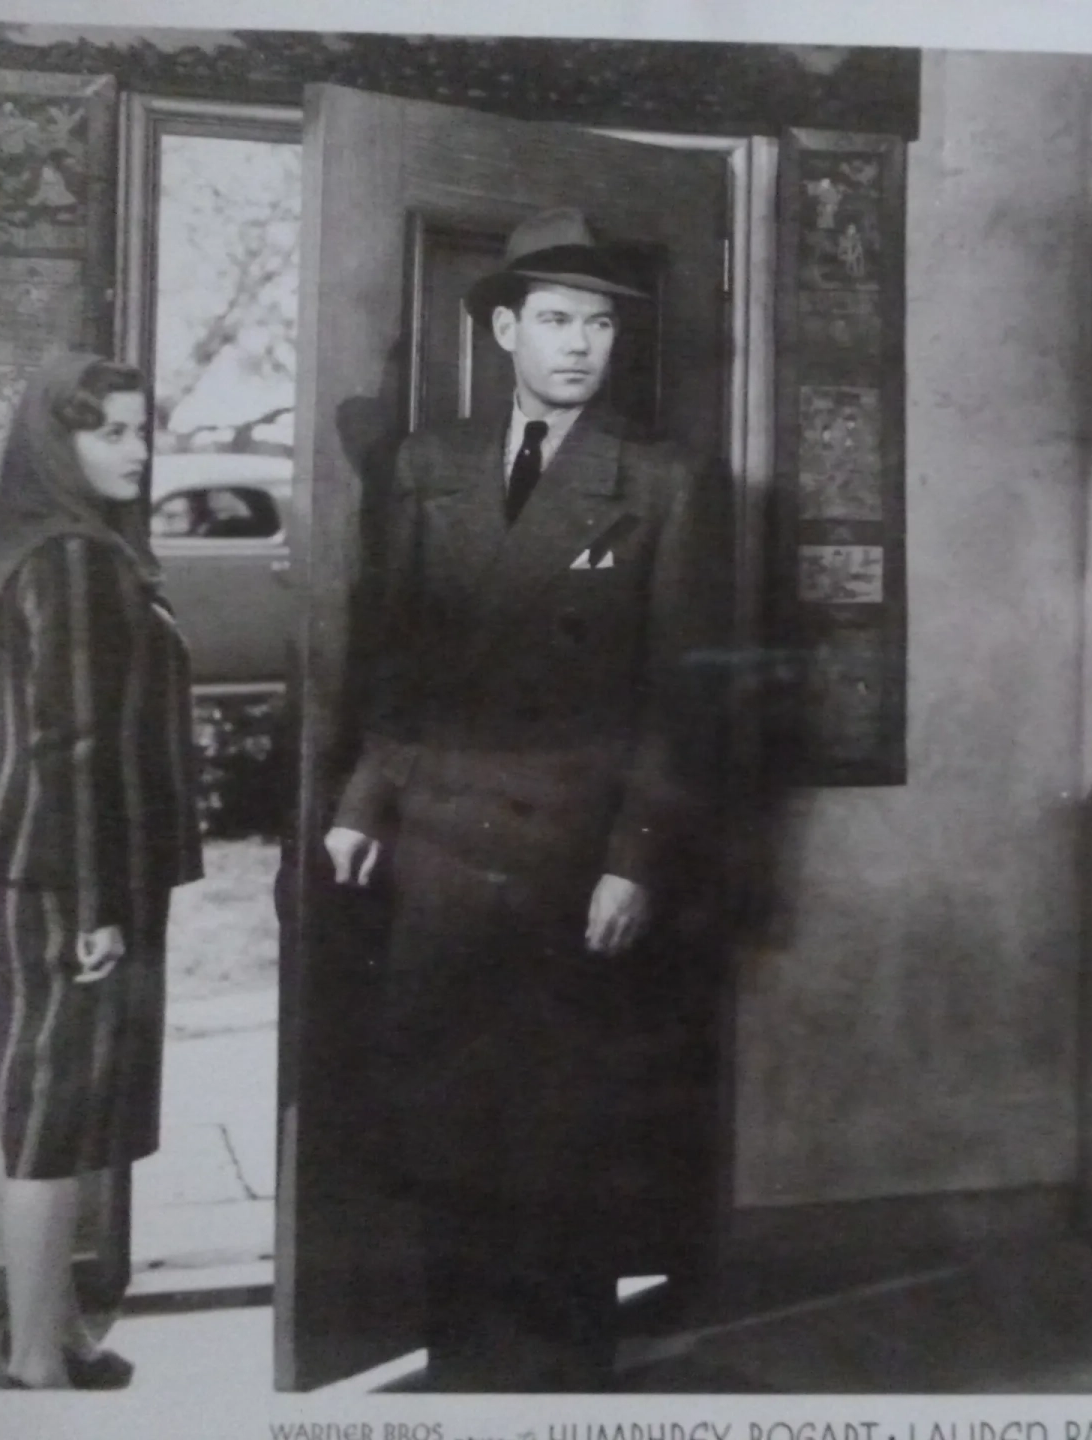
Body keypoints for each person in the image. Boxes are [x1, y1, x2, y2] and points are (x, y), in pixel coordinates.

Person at [323, 208, 722, 1392]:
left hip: (570, 863)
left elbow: (680, 705)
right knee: (449, 1122)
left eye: (598, 324)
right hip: (440, 851)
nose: (579, 345)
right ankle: (459, 1370)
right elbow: (399, 667)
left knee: (568, 1136)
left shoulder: (659, 483)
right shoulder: (427, 468)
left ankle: (566, 1385)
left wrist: (635, 861)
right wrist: (360, 800)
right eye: (554, 319)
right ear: (502, 329)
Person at [0, 352, 203, 1390]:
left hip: (62, 865)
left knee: (63, 1110)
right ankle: (29, 1360)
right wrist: (100, 905)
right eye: (112, 432)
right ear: (60, 444)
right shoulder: (70, 561)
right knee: (53, 1117)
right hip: (71, 876)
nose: (138, 450)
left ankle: (56, 1332)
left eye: (144, 429)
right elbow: (72, 745)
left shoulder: (75, 548)